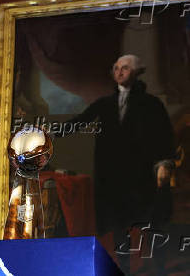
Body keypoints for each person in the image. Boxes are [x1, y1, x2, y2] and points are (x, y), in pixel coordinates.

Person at [62, 55, 175, 274]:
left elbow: (164, 136)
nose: (119, 72)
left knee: (150, 223)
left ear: (136, 72)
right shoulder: (105, 104)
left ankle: (159, 268)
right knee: (118, 226)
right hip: (113, 177)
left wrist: (164, 164)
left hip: (142, 176)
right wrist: (44, 133)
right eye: (116, 68)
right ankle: (122, 269)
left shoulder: (151, 104)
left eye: (125, 68)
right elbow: (79, 121)